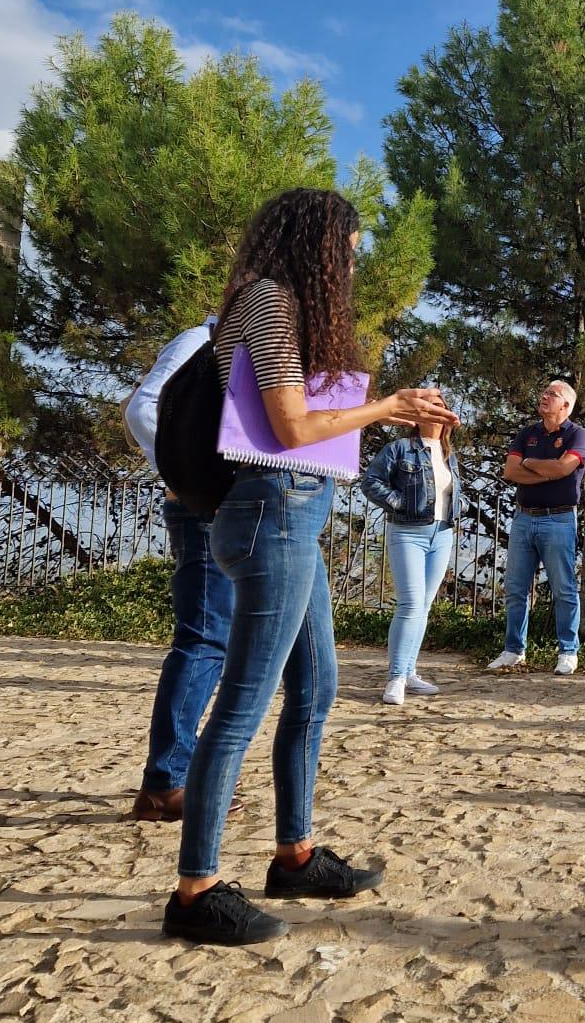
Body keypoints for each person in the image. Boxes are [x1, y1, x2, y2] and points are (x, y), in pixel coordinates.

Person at [164, 188, 452, 946]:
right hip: (271, 513)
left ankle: (294, 855)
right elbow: (290, 426)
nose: (354, 261)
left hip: (293, 512)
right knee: (245, 699)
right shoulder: (269, 301)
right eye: (349, 247)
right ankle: (194, 891)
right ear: (321, 242)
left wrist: (385, 409)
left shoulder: (276, 303)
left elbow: (300, 423)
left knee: (316, 687)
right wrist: (383, 407)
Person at [123, 319, 234, 822]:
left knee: (216, 638)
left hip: (226, 508)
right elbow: (142, 409)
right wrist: (189, 477)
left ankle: (174, 776)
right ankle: (166, 783)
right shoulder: (202, 340)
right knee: (205, 637)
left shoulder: (236, 345)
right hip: (201, 507)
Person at [486, 380, 585, 675]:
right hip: (523, 518)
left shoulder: (577, 434)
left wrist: (530, 465)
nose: (544, 396)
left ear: (566, 406)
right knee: (516, 588)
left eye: (552, 395)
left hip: (559, 519)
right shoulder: (527, 433)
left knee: (564, 588)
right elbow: (510, 471)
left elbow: (564, 468)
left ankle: (568, 651)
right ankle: (513, 649)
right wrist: (545, 470)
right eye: (544, 392)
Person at [359, 411, 461, 706]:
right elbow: (371, 482)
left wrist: (460, 505)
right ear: (418, 416)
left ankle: (410, 672)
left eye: (440, 407)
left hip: (442, 534)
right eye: (430, 407)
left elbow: (450, 492)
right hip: (407, 533)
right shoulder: (399, 449)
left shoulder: (448, 453)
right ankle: (396, 677)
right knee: (411, 604)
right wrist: (401, 502)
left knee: (424, 606)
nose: (437, 413)